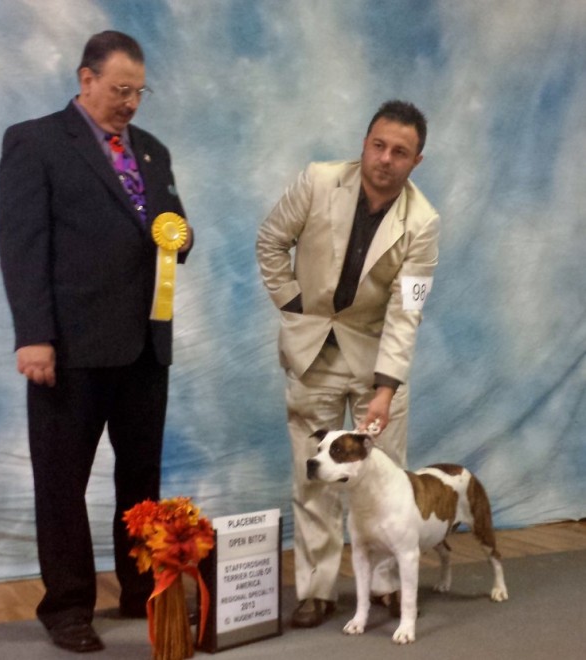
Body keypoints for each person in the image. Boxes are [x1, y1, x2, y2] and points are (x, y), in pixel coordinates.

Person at [0, 30, 192, 653]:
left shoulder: (153, 151)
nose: (130, 103)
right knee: (62, 485)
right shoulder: (34, 142)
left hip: (145, 349)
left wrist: (182, 237)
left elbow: (172, 232)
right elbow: (22, 247)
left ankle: (141, 589)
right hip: (69, 350)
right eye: (120, 90)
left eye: (139, 92)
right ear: (86, 80)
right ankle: (67, 606)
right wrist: (34, 337)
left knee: (141, 481)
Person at [256, 100, 439, 629]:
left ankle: (383, 584)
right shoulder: (318, 180)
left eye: (400, 152)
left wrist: (386, 390)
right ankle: (316, 591)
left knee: (385, 478)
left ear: (416, 161)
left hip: (377, 356)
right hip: (311, 351)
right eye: (378, 145)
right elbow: (271, 242)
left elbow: (407, 310)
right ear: (364, 142)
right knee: (314, 475)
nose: (385, 158)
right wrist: (295, 306)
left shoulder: (423, 222)